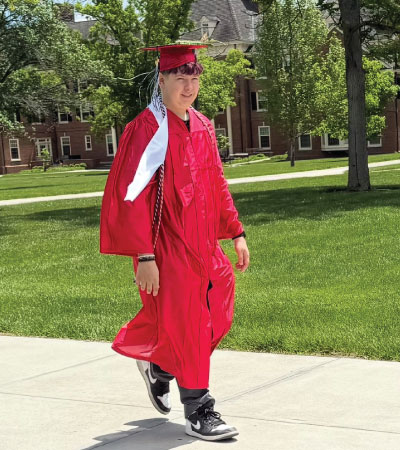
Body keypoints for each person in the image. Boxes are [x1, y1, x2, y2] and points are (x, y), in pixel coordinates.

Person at [100, 43, 250, 442]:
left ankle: (161, 367)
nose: (188, 85)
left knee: (220, 308)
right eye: (180, 78)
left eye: (194, 77)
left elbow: (216, 182)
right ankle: (199, 409)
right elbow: (132, 196)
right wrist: (144, 255)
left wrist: (235, 231)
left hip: (204, 243)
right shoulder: (146, 130)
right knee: (190, 323)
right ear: (161, 79)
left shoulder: (201, 124)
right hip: (166, 244)